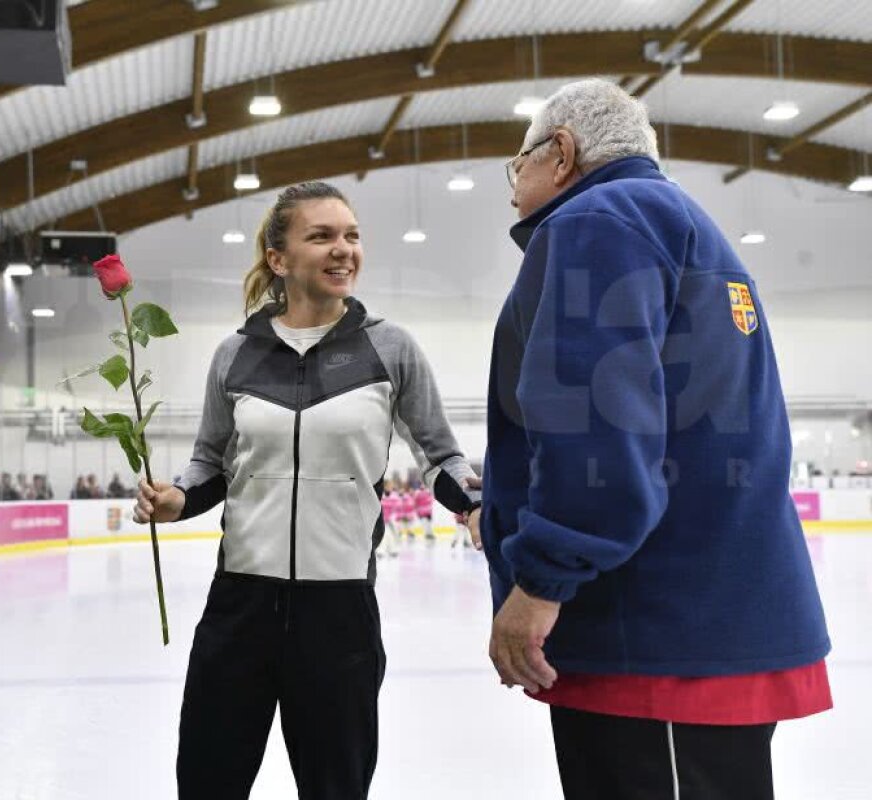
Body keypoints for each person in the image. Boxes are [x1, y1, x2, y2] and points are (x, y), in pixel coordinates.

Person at [481, 78, 831, 799]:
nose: (514, 190)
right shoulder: (680, 222)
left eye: (517, 166)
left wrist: (544, 577)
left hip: (650, 632)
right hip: (705, 611)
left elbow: (598, 427)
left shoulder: (595, 221)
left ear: (562, 153)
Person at [133, 181, 480, 799]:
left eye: (351, 235)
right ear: (278, 258)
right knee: (207, 784)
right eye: (321, 236)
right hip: (238, 610)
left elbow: (439, 455)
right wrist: (177, 498)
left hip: (338, 615)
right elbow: (209, 460)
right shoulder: (235, 353)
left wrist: (474, 505)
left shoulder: (389, 348)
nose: (343, 249)